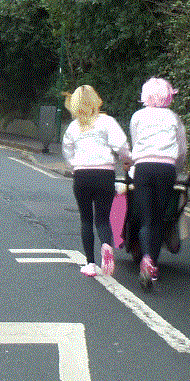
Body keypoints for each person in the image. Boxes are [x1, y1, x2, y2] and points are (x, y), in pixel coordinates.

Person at [61, 85, 130, 277]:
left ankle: (90, 264)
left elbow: (67, 151)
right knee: (102, 218)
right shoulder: (107, 121)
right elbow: (121, 145)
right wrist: (127, 159)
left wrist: (75, 166)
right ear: (96, 101)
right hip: (104, 174)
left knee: (86, 219)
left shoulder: (73, 127)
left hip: (82, 175)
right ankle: (107, 246)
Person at [128, 77, 187, 290]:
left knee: (146, 218)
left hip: (144, 168)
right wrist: (176, 169)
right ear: (168, 95)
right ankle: (152, 261)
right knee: (159, 219)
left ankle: (145, 259)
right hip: (166, 170)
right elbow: (181, 150)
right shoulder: (174, 118)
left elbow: (135, 144)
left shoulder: (138, 117)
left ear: (146, 95)